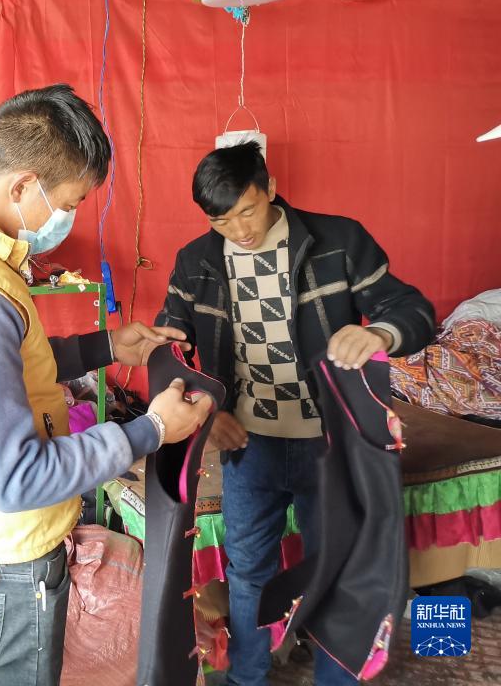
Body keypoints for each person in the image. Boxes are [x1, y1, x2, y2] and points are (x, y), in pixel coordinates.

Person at [0, 84, 213, 686]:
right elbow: (18, 478)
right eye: (69, 203)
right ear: (22, 187)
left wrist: (106, 347)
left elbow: (1, 370)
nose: (68, 219)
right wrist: (152, 429)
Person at [155, 141, 435, 685]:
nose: (239, 230)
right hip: (247, 447)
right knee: (248, 575)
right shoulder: (196, 262)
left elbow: (412, 310)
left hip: (329, 446)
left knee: (336, 568)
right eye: (221, 220)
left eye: (248, 211)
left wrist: (378, 333)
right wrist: (208, 414)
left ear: (272, 189)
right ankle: (247, 679)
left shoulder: (338, 241)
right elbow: (172, 349)